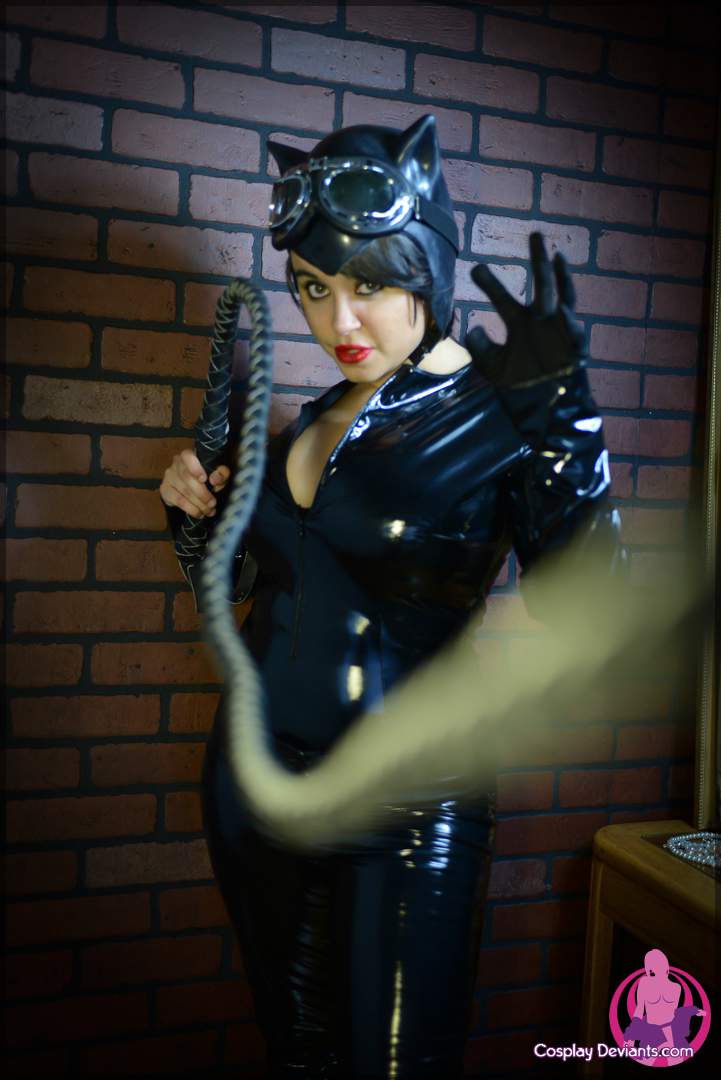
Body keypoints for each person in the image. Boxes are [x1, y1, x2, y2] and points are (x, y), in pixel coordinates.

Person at [160, 116, 618, 1079]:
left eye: (368, 286)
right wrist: (193, 510)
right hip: (254, 782)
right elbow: (247, 587)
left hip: (408, 800)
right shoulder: (317, 415)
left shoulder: (500, 412)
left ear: (426, 270)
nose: (340, 324)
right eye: (313, 289)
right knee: (297, 1054)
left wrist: (570, 433)